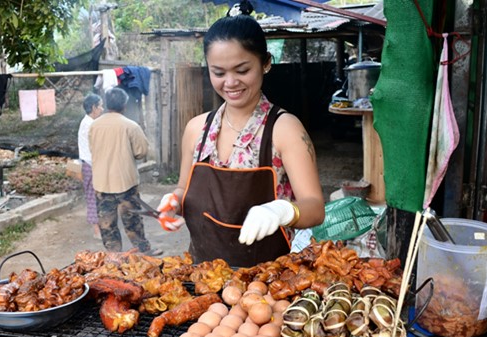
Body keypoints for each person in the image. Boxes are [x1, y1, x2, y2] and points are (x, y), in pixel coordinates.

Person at [157, 11, 325, 267]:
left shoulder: (284, 129)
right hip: (201, 277)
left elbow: (314, 208)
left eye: (242, 70)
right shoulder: (196, 129)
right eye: (219, 72)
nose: (231, 82)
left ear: (266, 63)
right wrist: (173, 202)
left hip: (267, 285)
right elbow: (183, 188)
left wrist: (282, 211)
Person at [89, 87, 163, 256]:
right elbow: (141, 152)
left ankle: (114, 255)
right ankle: (144, 250)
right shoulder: (130, 126)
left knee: (107, 223)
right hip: (125, 182)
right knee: (133, 219)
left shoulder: (94, 126)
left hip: (102, 183)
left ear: (107, 104)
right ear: (124, 104)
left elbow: (93, 149)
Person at [78, 93, 103, 240]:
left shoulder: (88, 122)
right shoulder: (90, 124)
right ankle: (96, 230)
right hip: (90, 164)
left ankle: (99, 228)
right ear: (93, 108)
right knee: (93, 197)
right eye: (100, 106)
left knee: (95, 196)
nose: (102, 109)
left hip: (90, 163)